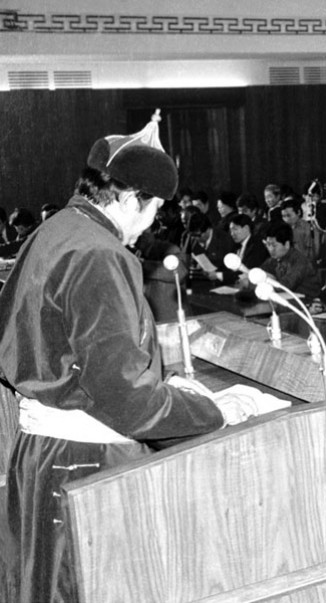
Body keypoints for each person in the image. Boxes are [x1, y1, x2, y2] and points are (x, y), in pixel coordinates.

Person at [0, 123, 259, 603]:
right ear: (128, 198)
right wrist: (216, 412)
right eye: (154, 207)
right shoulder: (101, 253)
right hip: (87, 461)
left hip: (42, 451)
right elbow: (126, 400)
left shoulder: (54, 230)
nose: (153, 222)